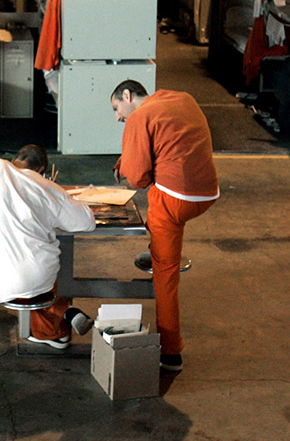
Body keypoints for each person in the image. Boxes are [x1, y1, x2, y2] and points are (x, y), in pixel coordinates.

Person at [111, 80, 219, 373]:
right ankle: (158, 248)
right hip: (206, 193)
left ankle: (171, 353)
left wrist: (127, 164)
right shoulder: (182, 97)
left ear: (127, 96)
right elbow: (170, 143)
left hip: (173, 199)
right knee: (166, 233)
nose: (118, 117)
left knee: (166, 275)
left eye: (116, 109)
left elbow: (137, 179)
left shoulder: (139, 117)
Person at [0, 144, 96, 349]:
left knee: (27, 269)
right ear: (41, 170)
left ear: (16, 158)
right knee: (44, 268)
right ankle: (54, 329)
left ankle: (62, 317)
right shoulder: (44, 185)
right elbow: (86, 222)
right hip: (37, 278)